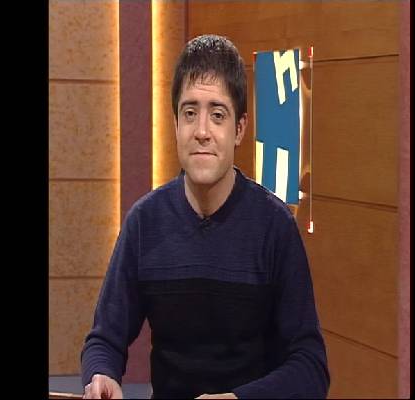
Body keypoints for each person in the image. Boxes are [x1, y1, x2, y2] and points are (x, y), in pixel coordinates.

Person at [81, 34, 329, 399]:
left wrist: (238, 399)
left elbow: (311, 366)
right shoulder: (144, 222)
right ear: (175, 125)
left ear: (239, 129)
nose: (201, 132)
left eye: (217, 115)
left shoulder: (274, 227)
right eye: (189, 113)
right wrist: (101, 374)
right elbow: (104, 339)